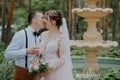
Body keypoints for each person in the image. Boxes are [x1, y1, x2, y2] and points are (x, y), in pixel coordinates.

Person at [5, 11, 45, 80]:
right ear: (34, 20)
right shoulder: (21, 34)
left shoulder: (39, 36)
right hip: (22, 73)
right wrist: (26, 51)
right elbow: (7, 54)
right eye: (42, 18)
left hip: (36, 74)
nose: (44, 20)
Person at [38, 10, 74, 80]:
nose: (45, 21)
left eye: (47, 19)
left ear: (54, 21)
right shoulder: (43, 34)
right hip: (41, 67)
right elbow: (41, 51)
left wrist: (48, 70)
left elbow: (63, 57)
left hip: (55, 70)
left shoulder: (61, 36)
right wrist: (37, 65)